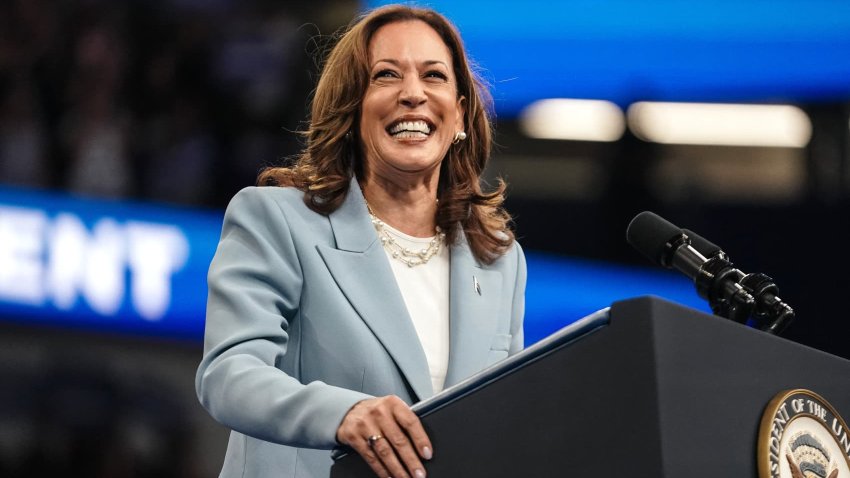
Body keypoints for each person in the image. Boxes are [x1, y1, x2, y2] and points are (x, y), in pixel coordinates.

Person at [195, 5, 526, 478]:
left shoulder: (498, 260)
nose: (413, 94)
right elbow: (228, 374)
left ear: (461, 116)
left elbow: (506, 420)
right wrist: (342, 414)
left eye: (434, 76)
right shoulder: (277, 220)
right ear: (351, 108)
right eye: (386, 75)